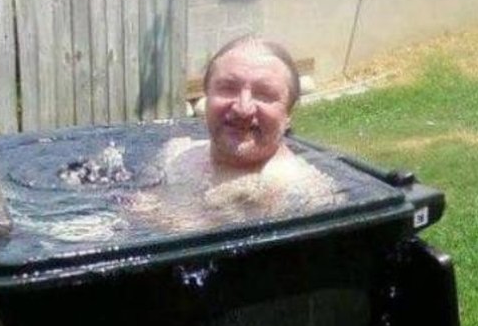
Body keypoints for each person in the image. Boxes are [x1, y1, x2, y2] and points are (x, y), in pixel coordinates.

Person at [132, 35, 341, 228]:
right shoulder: (175, 152)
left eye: (264, 94)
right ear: (207, 97)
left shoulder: (306, 194)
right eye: (228, 88)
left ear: (288, 115)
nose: (243, 108)